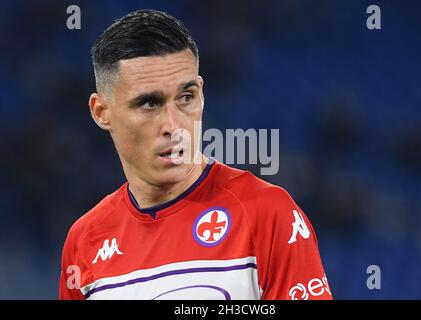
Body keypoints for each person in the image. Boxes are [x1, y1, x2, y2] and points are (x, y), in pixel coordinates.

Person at [59, 9, 332, 300]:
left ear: (201, 93)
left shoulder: (266, 214)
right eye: (149, 103)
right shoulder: (85, 240)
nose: (174, 126)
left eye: (185, 98)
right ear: (102, 112)